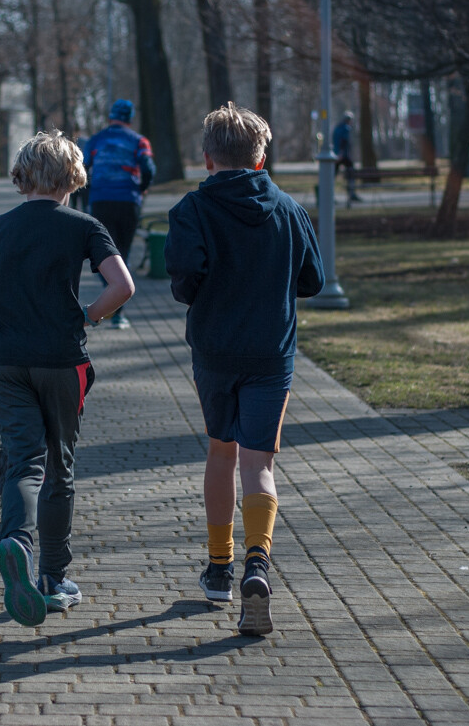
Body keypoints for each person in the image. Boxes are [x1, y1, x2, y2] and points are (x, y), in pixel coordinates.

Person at [0, 130, 135, 626]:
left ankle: (16, 541)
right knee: (59, 466)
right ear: (73, 178)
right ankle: (54, 579)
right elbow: (122, 286)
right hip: (62, 360)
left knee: (23, 461)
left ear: (21, 177)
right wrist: (89, 316)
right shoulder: (85, 226)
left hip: (6, 361)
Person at [164, 102, 324, 636]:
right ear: (261, 157)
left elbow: (185, 278)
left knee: (221, 452)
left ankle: (218, 569)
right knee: (260, 464)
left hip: (214, 351)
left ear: (206, 158)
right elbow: (313, 280)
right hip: (270, 354)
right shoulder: (289, 209)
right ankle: (258, 562)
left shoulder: (192, 209)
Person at [81, 99, 155, 328]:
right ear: (130, 118)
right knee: (124, 253)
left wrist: (87, 195)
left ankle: (111, 297)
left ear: (111, 116)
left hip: (101, 201)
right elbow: (148, 169)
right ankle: (117, 312)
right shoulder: (139, 141)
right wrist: (141, 188)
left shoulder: (96, 140)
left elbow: (82, 168)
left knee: (101, 255)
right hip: (128, 202)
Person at [332, 111, 361, 204]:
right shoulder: (346, 128)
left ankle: (330, 195)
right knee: (351, 172)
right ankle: (351, 194)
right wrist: (341, 153)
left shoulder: (337, 128)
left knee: (333, 175)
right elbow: (344, 141)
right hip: (343, 155)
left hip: (335, 155)